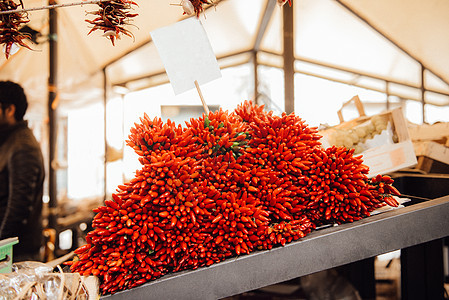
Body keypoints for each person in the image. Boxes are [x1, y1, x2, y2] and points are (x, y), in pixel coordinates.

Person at [0, 81, 45, 261]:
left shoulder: (23, 146)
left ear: (9, 110)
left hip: (17, 255)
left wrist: (1, 245)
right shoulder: (10, 141)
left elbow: (18, 208)